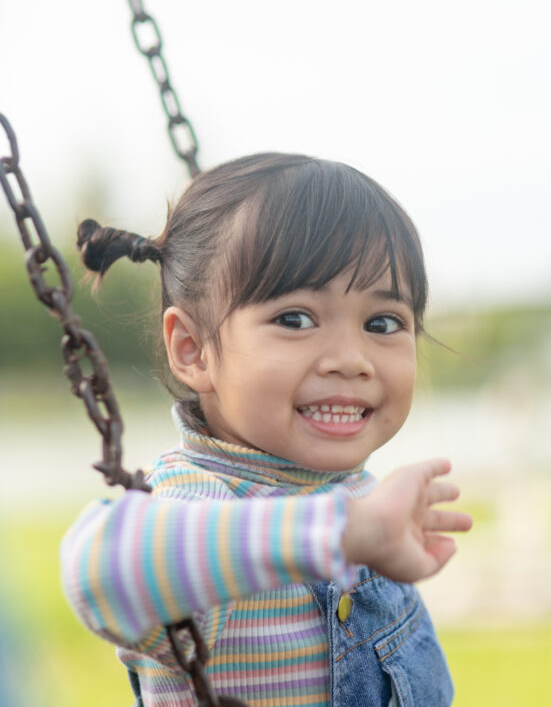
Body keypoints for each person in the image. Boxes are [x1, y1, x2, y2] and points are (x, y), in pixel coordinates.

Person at [60, 152, 472, 707]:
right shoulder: (199, 505)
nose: (351, 359)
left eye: (383, 323)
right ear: (193, 349)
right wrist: (345, 531)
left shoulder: (353, 494)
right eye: (295, 319)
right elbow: (98, 572)